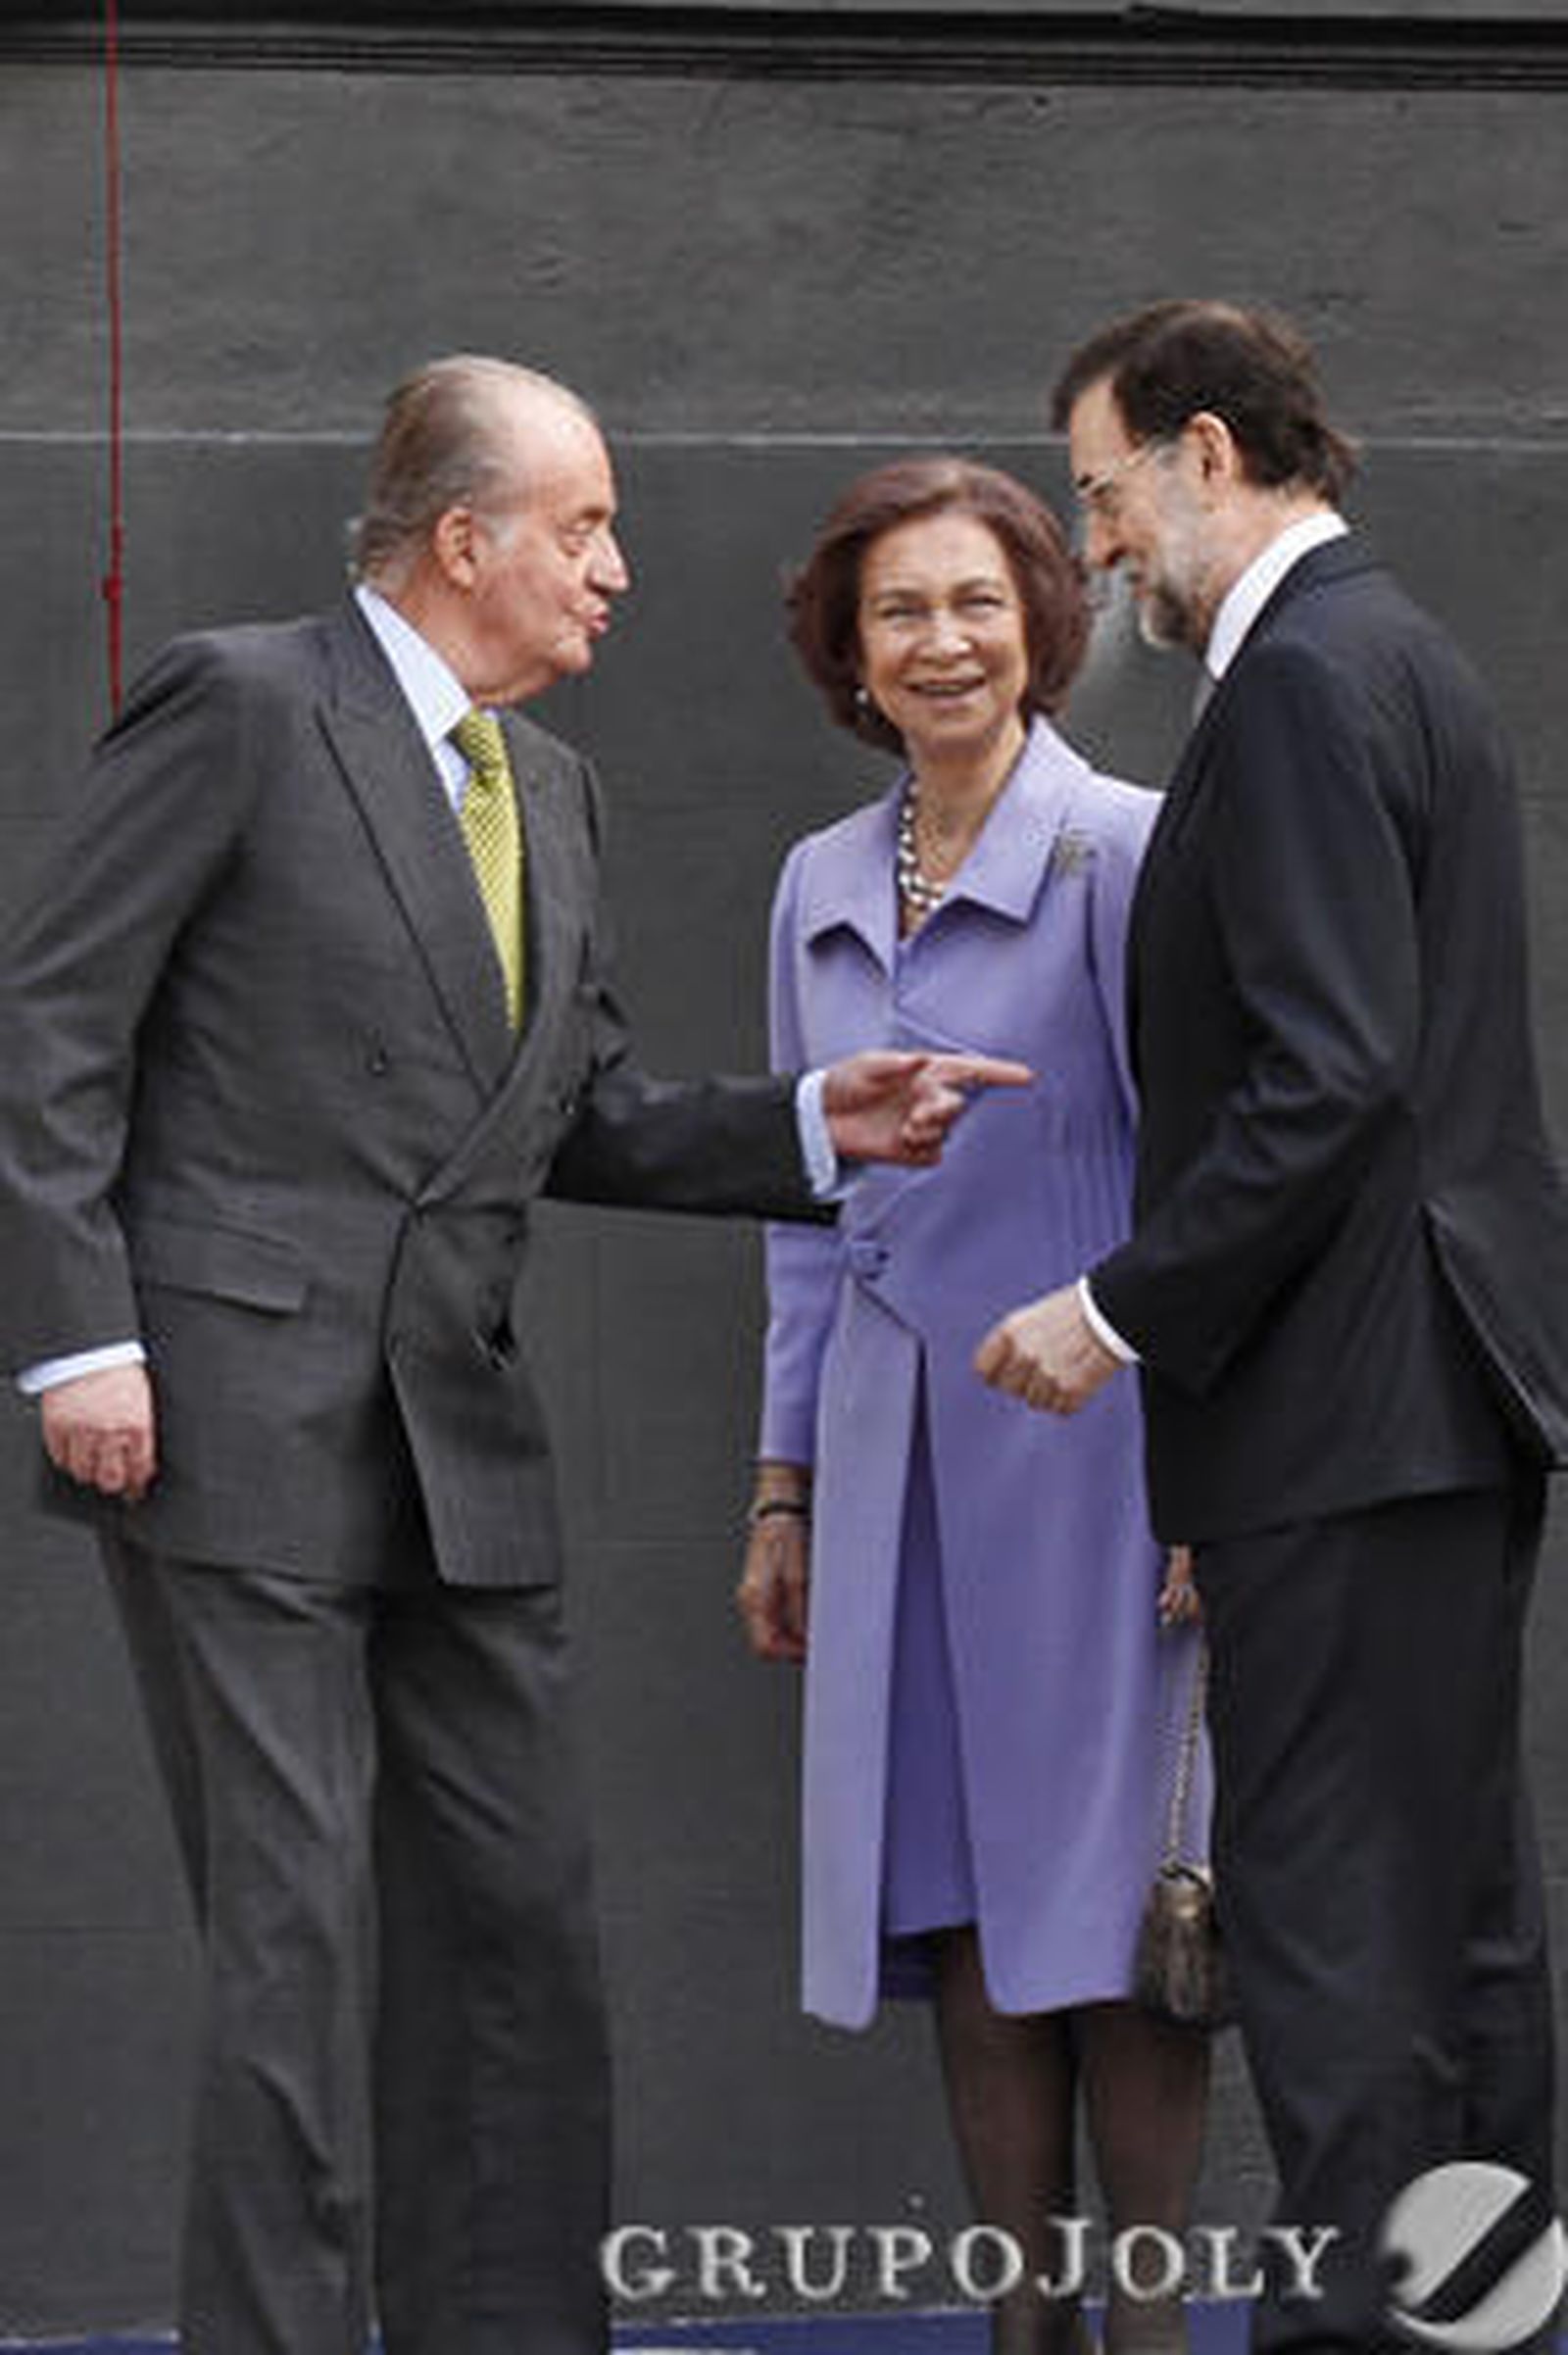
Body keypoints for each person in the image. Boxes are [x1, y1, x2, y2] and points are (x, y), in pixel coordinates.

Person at [0, 357, 1026, 2355]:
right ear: (464, 537)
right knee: (296, 1951)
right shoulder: (241, 700)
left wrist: (824, 1119)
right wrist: (80, 1342)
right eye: (585, 528)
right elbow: (51, 1032)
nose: (618, 572)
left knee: (514, 1939)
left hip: (455, 1439)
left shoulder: (545, 785)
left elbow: (582, 1108)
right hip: (229, 1418)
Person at [977, 301, 1568, 2354]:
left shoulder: (1304, 681)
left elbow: (1328, 1072)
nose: (1098, 545)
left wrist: (1116, 1307)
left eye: (1099, 491)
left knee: (1340, 1948)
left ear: (1205, 453)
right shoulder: (1385, 652)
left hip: (1345, 1410)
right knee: (1451, 1941)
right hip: (1423, 1402)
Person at [738, 456, 1209, 2355]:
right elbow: (795, 1205)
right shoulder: (816, 883)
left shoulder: (1128, 848)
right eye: (896, 611)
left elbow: (1207, 1183)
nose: (938, 641)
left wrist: (1212, 1468)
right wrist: (781, 1488)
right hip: (889, 1460)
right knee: (953, 1895)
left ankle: (1154, 2320)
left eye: (973, 602)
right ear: (847, 654)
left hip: (1100, 1455)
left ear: (1040, 626)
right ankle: (1021, 2319)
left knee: (1104, 1899)